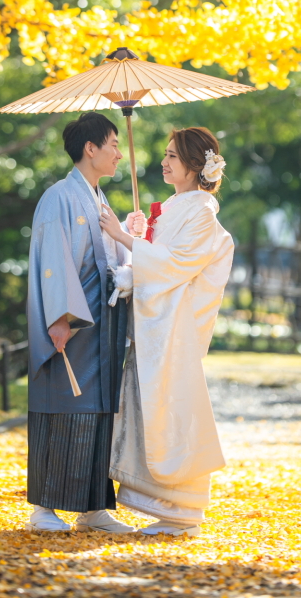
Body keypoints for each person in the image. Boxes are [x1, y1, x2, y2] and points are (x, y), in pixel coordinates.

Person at [99, 126, 234, 537]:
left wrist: (124, 236)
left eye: (173, 156)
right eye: (166, 153)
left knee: (175, 411)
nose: (164, 161)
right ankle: (167, 508)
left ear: (196, 166)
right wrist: (138, 234)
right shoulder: (177, 205)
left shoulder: (201, 211)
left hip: (175, 328)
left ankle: (185, 511)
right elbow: (155, 257)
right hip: (158, 324)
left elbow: (175, 265)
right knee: (152, 410)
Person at [26, 111, 135, 533]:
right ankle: (45, 508)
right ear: (90, 149)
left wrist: (129, 233)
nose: (119, 155)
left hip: (103, 325)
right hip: (73, 325)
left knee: (99, 410)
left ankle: (93, 507)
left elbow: (110, 262)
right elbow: (53, 263)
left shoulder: (98, 198)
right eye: (113, 146)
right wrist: (60, 317)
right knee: (64, 407)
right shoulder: (59, 196)